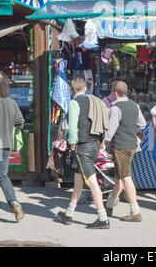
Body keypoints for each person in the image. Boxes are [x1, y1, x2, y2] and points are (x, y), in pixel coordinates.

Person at [57, 77, 110, 229]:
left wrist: (72, 144)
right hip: (94, 143)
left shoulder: (74, 103)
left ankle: (103, 218)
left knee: (91, 182)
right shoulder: (95, 101)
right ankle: (69, 213)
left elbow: (73, 127)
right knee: (78, 179)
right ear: (86, 88)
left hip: (82, 146)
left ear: (71, 90)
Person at [104, 80, 146, 222]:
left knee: (125, 177)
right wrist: (131, 130)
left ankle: (135, 211)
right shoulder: (134, 105)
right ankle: (110, 204)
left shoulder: (115, 109)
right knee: (120, 176)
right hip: (132, 144)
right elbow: (142, 124)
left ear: (115, 93)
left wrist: (103, 143)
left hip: (120, 146)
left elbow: (110, 131)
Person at [0, 70, 25, 222]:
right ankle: (14, 202)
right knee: (2, 176)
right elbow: (20, 122)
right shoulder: (11, 103)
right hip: (3, 144)